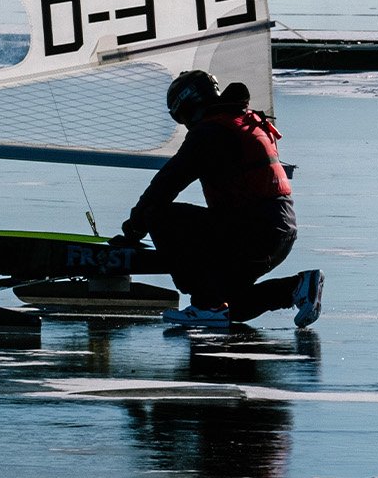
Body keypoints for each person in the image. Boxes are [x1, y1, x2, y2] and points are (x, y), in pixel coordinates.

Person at [113, 69, 323, 329]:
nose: (186, 125)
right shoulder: (244, 120)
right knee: (234, 305)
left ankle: (205, 304)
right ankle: (297, 287)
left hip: (253, 232)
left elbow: (166, 184)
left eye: (182, 118)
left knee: (158, 215)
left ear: (188, 107)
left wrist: (134, 230)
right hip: (279, 233)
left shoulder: (210, 132)